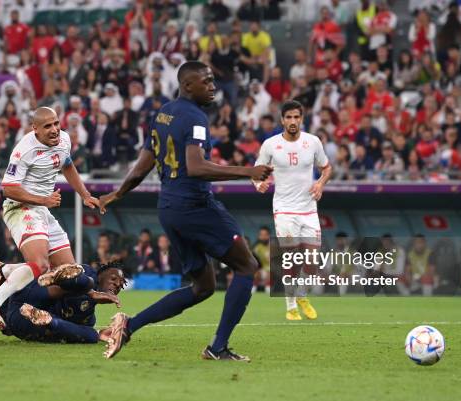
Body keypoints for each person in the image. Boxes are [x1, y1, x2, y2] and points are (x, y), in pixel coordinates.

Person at [98, 61, 272, 361]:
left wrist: (118, 193)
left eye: (213, 80)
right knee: (247, 266)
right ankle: (218, 347)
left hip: (169, 208)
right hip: (195, 206)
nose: (213, 86)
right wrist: (249, 171)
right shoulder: (195, 117)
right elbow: (196, 167)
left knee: (203, 286)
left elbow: (143, 165)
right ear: (188, 85)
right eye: (206, 81)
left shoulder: (162, 113)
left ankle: (129, 325)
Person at [0, 107, 100, 331]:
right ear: (35, 129)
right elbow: (8, 189)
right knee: (41, 265)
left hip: (43, 209)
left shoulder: (64, 140)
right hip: (20, 208)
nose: (54, 130)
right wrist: (43, 200)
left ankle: (6, 271)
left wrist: (85, 195)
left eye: (55, 123)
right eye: (47, 126)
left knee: (67, 272)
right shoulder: (24, 150)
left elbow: (68, 165)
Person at [253, 100, 332, 320]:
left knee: (312, 259)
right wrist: (258, 184)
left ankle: (301, 294)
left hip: (308, 209)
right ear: (282, 120)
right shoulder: (270, 145)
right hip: (284, 209)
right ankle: (290, 307)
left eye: (296, 117)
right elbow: (256, 171)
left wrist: (320, 184)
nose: (293, 121)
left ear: (302, 119)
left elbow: (326, 167)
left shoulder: (313, 142)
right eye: (288, 117)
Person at [1, 262, 126, 344]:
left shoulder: (87, 317)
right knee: (85, 281)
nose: (116, 284)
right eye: (113, 279)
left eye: (120, 285)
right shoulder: (89, 273)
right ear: (101, 275)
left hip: (24, 323)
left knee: (92, 336)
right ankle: (55, 276)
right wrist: (92, 293)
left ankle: (50, 321)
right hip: (27, 297)